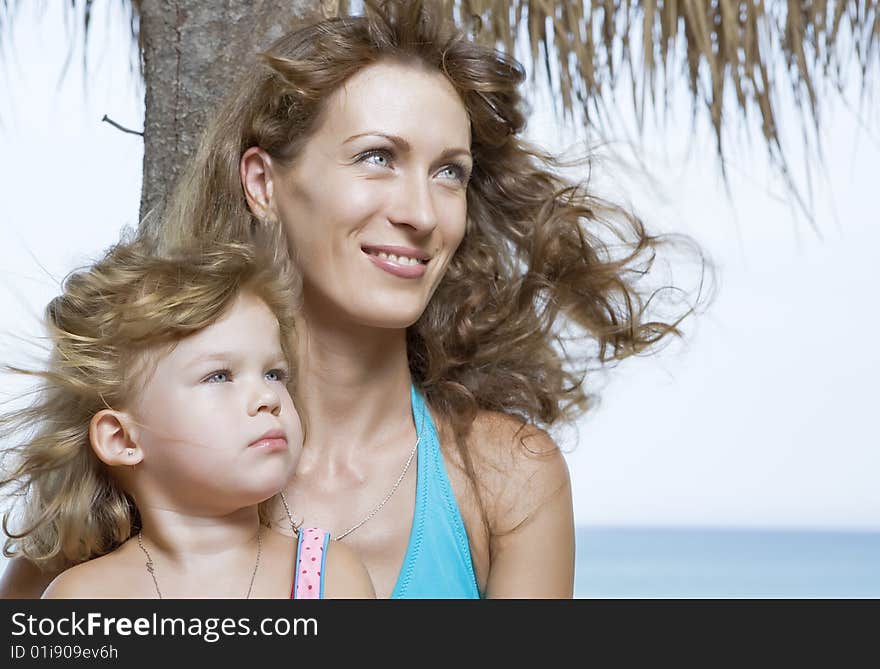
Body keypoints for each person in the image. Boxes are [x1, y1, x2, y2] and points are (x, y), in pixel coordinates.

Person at [2, 0, 702, 598]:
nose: (422, 213)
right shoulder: (148, 457)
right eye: (378, 157)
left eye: (449, 172)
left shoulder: (506, 479)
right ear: (264, 183)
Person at [0, 238, 374, 599]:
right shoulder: (81, 597)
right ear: (122, 440)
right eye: (219, 376)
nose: (267, 398)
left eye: (274, 374)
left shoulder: (330, 577)